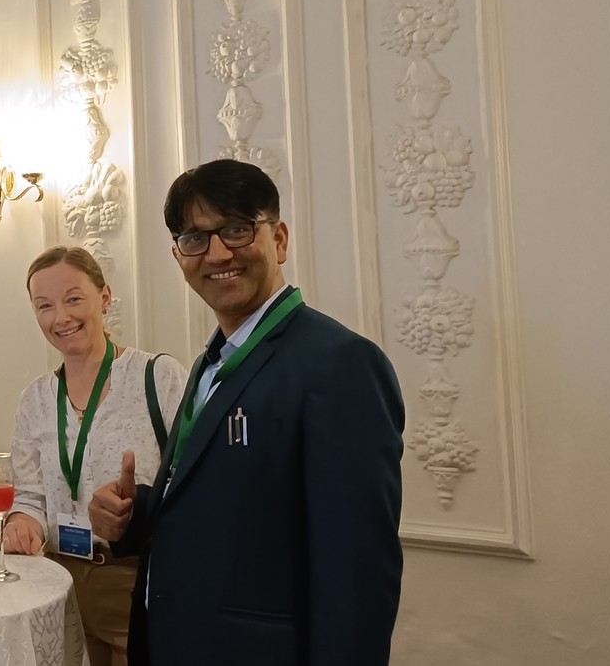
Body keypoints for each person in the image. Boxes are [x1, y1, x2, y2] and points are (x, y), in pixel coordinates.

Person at [88, 159, 405, 666]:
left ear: (278, 239)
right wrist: (137, 513)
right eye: (195, 238)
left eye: (236, 229)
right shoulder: (210, 362)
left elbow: (356, 571)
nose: (217, 253)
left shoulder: (339, 363)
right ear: (178, 255)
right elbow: (245, 505)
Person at [1, 247, 187, 666]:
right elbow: (29, 496)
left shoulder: (158, 377)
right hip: (55, 583)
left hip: (135, 582)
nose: (60, 317)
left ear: (104, 297)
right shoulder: (35, 399)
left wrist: (136, 508)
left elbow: (193, 484)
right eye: (44, 306)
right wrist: (21, 523)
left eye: (73, 299)